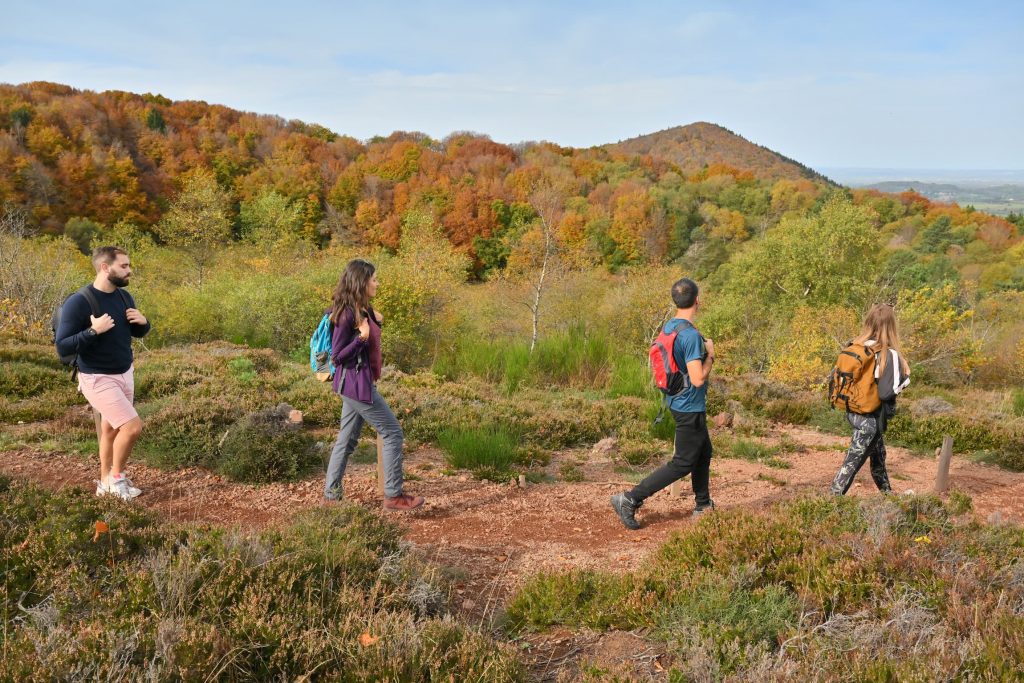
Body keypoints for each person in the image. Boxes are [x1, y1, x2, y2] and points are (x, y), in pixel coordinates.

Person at [611, 277, 716, 530]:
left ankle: (703, 505)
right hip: (689, 406)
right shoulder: (690, 335)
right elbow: (698, 378)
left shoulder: (670, 327)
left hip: (678, 401)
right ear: (697, 301)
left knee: (703, 453)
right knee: (682, 463)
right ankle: (630, 498)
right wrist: (711, 355)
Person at [322, 259, 424, 511]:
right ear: (361, 282)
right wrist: (361, 338)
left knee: (346, 441)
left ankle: (331, 496)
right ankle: (393, 495)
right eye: (374, 279)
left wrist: (375, 321)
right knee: (392, 432)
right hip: (356, 386)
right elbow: (337, 356)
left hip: (357, 384)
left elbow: (371, 334)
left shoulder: (360, 308)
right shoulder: (346, 314)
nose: (377, 283)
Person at [55, 246, 151, 501]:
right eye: (124, 266)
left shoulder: (124, 297)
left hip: (124, 372)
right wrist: (93, 331)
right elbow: (62, 345)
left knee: (110, 429)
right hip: (97, 377)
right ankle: (117, 479)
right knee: (131, 428)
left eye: (129, 265)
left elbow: (134, 333)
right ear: (105, 267)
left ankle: (105, 482)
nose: (129, 270)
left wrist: (144, 323)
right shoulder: (79, 301)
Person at [830, 303, 910, 495]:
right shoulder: (887, 354)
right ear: (891, 326)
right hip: (870, 420)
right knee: (850, 465)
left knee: (878, 457)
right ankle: (830, 502)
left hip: (854, 412)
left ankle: (888, 495)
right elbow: (886, 393)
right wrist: (906, 378)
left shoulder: (855, 346)